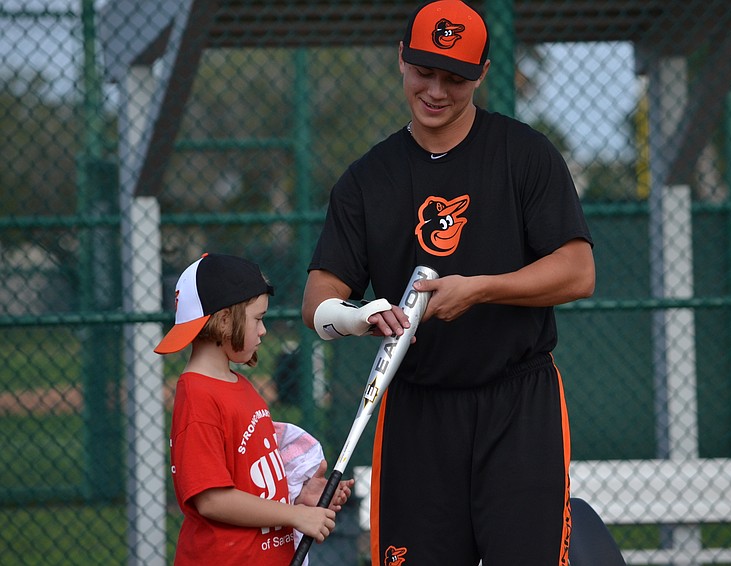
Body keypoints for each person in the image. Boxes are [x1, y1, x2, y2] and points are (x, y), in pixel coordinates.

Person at [301, 0, 595, 563]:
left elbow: (578, 270)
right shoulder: (368, 179)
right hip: (415, 406)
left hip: (518, 404)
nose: (436, 90)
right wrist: (361, 316)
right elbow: (319, 297)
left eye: (455, 77)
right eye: (423, 72)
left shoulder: (524, 154)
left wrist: (479, 288)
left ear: (483, 73)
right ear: (401, 61)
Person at [155, 252, 354, 565]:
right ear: (223, 320)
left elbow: (249, 482)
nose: (263, 331)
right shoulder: (198, 396)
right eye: (258, 319)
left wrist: (298, 495)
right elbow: (211, 499)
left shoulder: (241, 387)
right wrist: (295, 515)